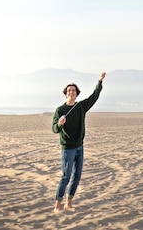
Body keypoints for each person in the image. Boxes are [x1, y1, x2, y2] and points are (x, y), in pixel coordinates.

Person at [52, 72, 106, 212]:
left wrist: (99, 82)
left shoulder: (81, 107)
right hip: (67, 148)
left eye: (74, 90)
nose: (71, 92)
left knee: (77, 176)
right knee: (66, 176)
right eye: (69, 90)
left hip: (79, 147)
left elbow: (94, 96)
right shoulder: (60, 110)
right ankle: (58, 204)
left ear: (77, 94)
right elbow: (54, 129)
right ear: (65, 93)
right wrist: (60, 124)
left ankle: (68, 202)